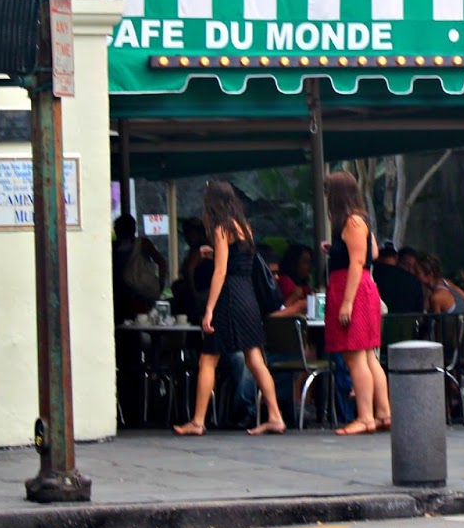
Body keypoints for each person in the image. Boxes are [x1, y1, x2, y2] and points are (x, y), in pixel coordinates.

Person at [172, 182, 285, 436]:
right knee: (255, 358)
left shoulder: (222, 228)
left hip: (230, 297)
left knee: (208, 359)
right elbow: (238, 260)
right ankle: (275, 416)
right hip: (248, 296)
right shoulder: (244, 227)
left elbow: (221, 271)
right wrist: (214, 252)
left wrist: (209, 308)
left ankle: (198, 421)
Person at [324, 170, 391, 436]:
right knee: (367, 356)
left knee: (355, 357)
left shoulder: (351, 222)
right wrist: (337, 248)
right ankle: (383, 412)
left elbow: (359, 261)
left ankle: (365, 417)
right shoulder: (360, 220)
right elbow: (372, 251)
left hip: (352, 288)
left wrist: (347, 302)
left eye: (329, 192)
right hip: (362, 287)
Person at [111, 215, 166, 324]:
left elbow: (161, 262)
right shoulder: (114, 246)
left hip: (139, 293)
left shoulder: (142, 244)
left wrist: (161, 284)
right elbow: (162, 262)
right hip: (123, 294)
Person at [372, 241, 425, 315]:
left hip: (376, 324)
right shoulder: (413, 281)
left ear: (377, 255)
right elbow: (419, 315)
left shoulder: (370, 275)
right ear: (396, 257)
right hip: (404, 325)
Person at [274, 243, 315, 315]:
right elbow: (281, 311)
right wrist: (294, 298)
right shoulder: (285, 282)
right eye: (305, 262)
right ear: (294, 263)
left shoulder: (303, 286)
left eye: (310, 262)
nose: (309, 267)